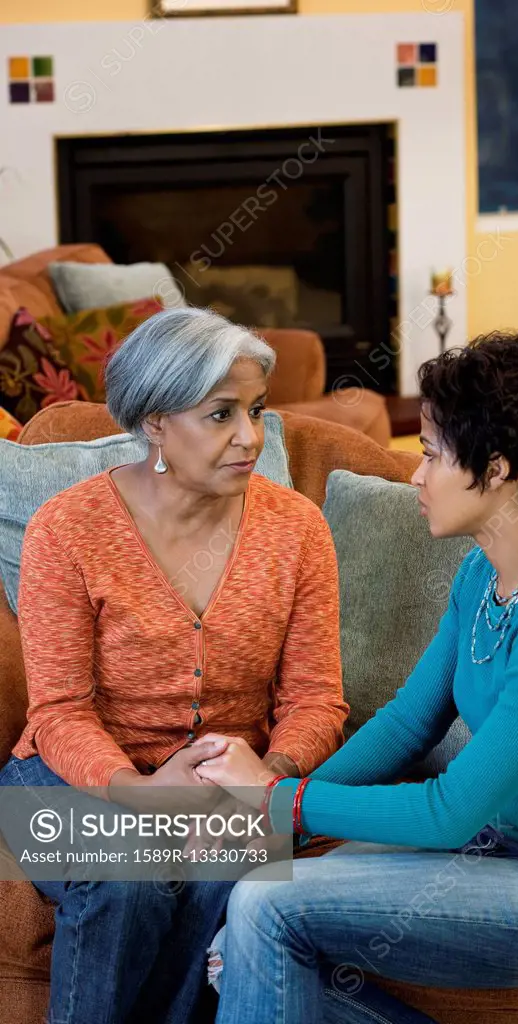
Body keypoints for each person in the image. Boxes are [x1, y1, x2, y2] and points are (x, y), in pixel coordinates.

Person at [197, 332, 518, 1024]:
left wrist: (279, 803)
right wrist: (283, 807)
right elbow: (409, 721)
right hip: (499, 843)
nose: (416, 474)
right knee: (237, 947)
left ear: (497, 469)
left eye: (434, 454)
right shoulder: (483, 571)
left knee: (265, 906)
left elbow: (450, 813)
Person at [0, 307, 349, 1024]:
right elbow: (58, 712)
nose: (250, 437)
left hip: (234, 780)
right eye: (220, 415)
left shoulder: (298, 529)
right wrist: (143, 793)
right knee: (127, 879)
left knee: (231, 876)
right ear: (155, 422)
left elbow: (318, 699)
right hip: (61, 777)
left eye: (255, 410)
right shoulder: (67, 529)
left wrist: (264, 779)